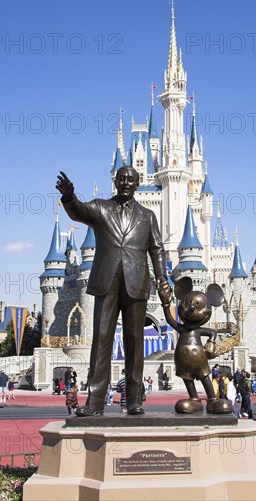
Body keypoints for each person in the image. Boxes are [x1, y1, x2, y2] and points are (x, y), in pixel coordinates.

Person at [56, 166, 172, 416]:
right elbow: (78, 212)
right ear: (116, 182)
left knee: (134, 342)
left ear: (137, 183)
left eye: (131, 179)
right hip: (106, 281)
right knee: (101, 340)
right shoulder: (101, 208)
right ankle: (95, 402)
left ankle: (133, 399)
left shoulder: (147, 216)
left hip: (136, 283)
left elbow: (157, 250)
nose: (126, 183)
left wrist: (162, 278)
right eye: (122, 179)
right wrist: (68, 197)